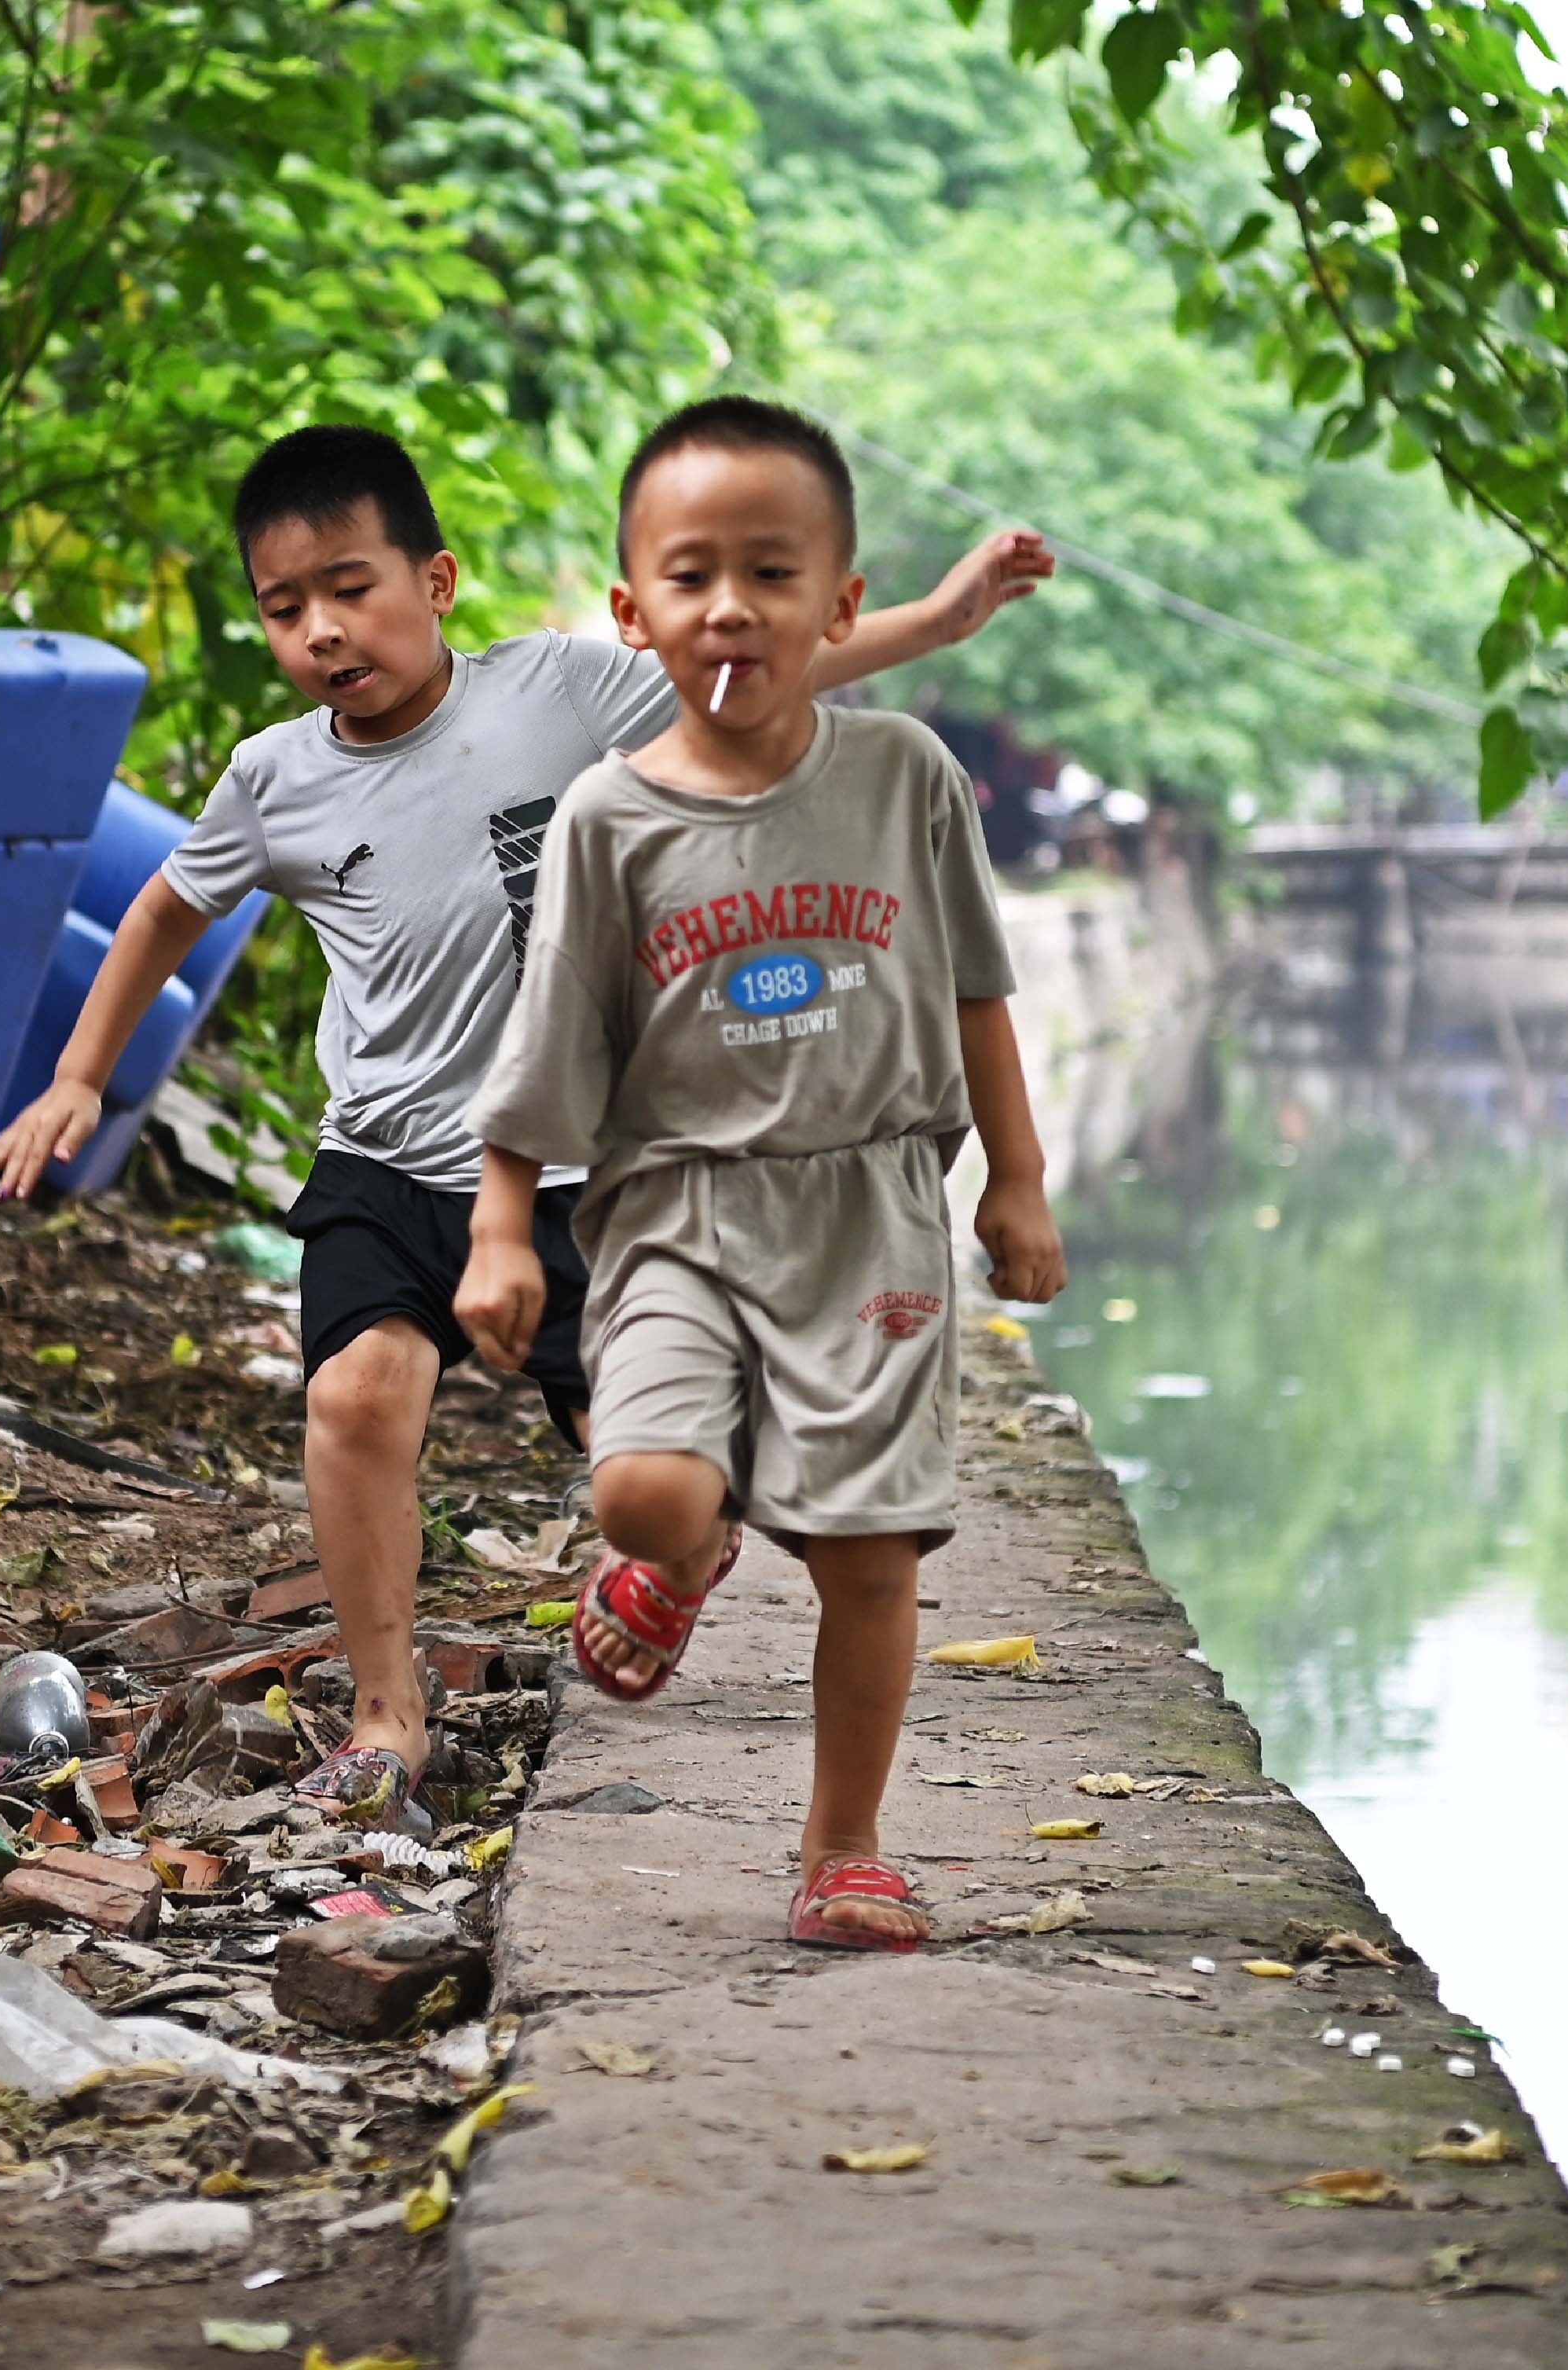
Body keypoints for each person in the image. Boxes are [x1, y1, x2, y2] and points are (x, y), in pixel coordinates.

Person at [0, 424, 1049, 1834]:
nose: (321, 631)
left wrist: (943, 617)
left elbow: (759, 668)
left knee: (656, 1488)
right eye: (285, 608)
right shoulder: (276, 778)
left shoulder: (559, 691)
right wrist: (78, 1078)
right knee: (356, 1400)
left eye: (350, 588)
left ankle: (682, 1557)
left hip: (587, 1175)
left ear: (438, 579)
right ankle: (384, 1716)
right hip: (387, 1158)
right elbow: (169, 905)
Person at [450, 396, 1068, 1950]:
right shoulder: (607, 816)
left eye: (771, 571)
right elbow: (547, 1042)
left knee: (869, 1551)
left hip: (871, 1215)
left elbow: (976, 993)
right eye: (691, 572)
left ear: (840, 604)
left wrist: (1016, 1182)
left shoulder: (908, 781)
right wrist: (501, 1226)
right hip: (671, 1212)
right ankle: (686, 1550)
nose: (730, 604)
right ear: (630, 610)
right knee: (644, 1484)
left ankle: (841, 1845)